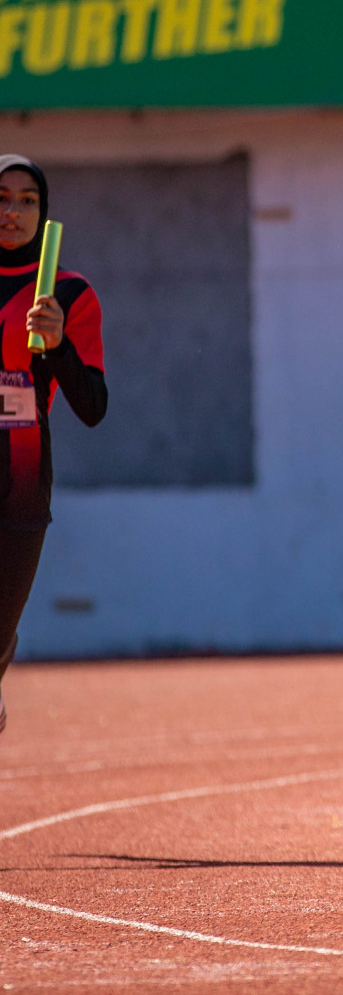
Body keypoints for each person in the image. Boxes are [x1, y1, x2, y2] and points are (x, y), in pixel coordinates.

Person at [0, 155, 108, 736]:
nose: (12, 211)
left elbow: (93, 408)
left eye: (27, 200)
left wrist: (59, 344)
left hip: (20, 482)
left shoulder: (67, 291)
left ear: (44, 215)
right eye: (1, 197)